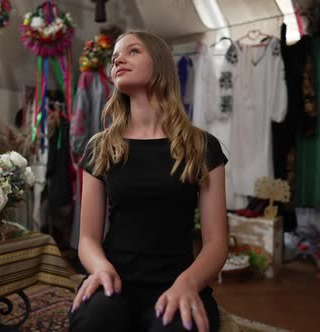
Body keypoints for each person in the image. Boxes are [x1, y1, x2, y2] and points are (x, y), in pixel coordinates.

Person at [69, 31, 228, 332]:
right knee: (94, 321)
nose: (118, 59)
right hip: (113, 280)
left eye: (133, 51)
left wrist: (188, 283)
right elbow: (88, 238)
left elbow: (217, 243)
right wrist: (100, 269)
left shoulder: (202, 146)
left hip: (179, 281)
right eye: (116, 55)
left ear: (161, 65)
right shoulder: (100, 146)